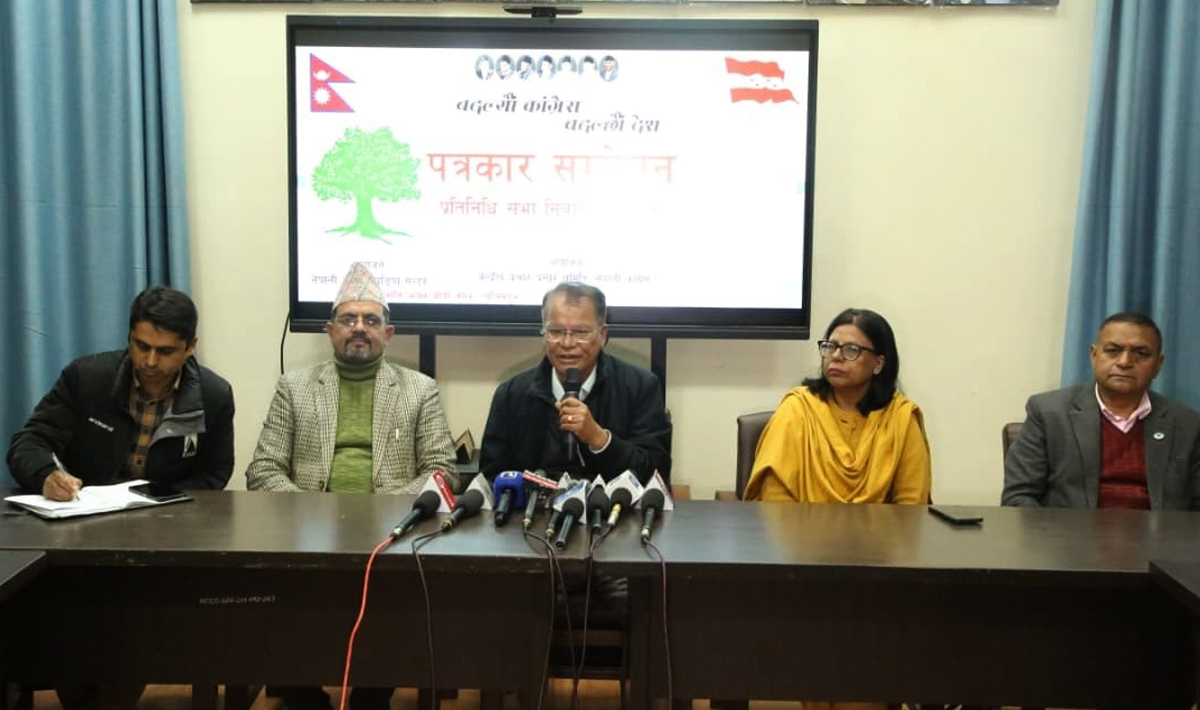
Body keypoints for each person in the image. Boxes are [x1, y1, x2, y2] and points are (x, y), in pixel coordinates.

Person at [6, 285, 234, 709]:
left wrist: (161, 504)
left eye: (165, 351)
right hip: (80, 531)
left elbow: (215, 473)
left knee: (138, 620)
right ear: (129, 337)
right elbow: (29, 442)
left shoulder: (213, 396)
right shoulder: (87, 378)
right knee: (56, 614)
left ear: (190, 347)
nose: (150, 361)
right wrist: (46, 475)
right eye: (140, 346)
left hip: (161, 538)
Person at [245, 262, 457, 710]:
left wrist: (381, 514)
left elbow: (441, 471)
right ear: (329, 330)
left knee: (398, 602)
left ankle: (371, 698)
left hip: (389, 535)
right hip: (305, 534)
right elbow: (263, 470)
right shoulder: (294, 387)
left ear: (388, 333)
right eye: (348, 319)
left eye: (371, 320)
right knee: (273, 601)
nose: (359, 328)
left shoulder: (419, 389)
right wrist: (311, 514)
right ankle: (305, 700)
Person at [1002, 311, 1200, 510]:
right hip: (1070, 530)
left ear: (1158, 364)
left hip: (1161, 530)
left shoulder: (1187, 424)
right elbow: (1018, 498)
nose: (1124, 362)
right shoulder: (1048, 413)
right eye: (1113, 350)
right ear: (1094, 356)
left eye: (1141, 353)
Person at [480, 282, 671, 484]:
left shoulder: (640, 387)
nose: (567, 343)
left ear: (602, 335)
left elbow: (656, 475)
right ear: (544, 334)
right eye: (556, 331)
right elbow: (490, 478)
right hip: (533, 504)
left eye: (581, 332)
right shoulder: (511, 394)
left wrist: (600, 440)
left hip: (611, 504)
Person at [745, 307, 931, 506]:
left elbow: (911, 506)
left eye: (851, 350)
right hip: (800, 525)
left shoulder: (900, 418)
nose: (836, 356)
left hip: (882, 527)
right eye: (830, 346)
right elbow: (774, 498)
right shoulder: (798, 408)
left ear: (878, 363)